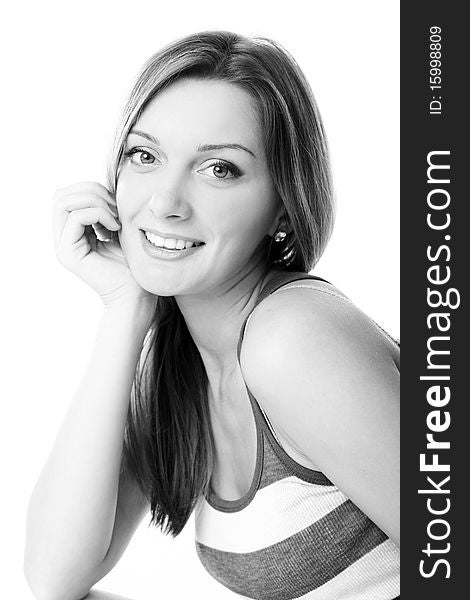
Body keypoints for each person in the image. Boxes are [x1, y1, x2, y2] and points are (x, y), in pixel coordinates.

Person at [24, 30, 400, 600]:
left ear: (283, 207)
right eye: (145, 156)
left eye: (219, 169)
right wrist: (125, 308)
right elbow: (55, 578)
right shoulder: (183, 367)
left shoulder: (291, 337)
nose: (165, 202)